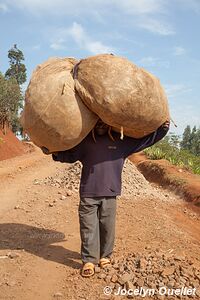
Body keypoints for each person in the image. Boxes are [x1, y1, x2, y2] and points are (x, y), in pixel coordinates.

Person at [43, 119, 170, 277]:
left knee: (107, 227)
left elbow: (145, 141)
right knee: (88, 227)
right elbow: (69, 155)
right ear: (92, 123)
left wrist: (163, 130)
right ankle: (89, 260)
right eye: (97, 122)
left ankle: (105, 257)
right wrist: (53, 152)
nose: (101, 125)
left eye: (104, 122)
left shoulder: (122, 143)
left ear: (110, 123)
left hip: (110, 194)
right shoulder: (85, 142)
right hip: (88, 193)